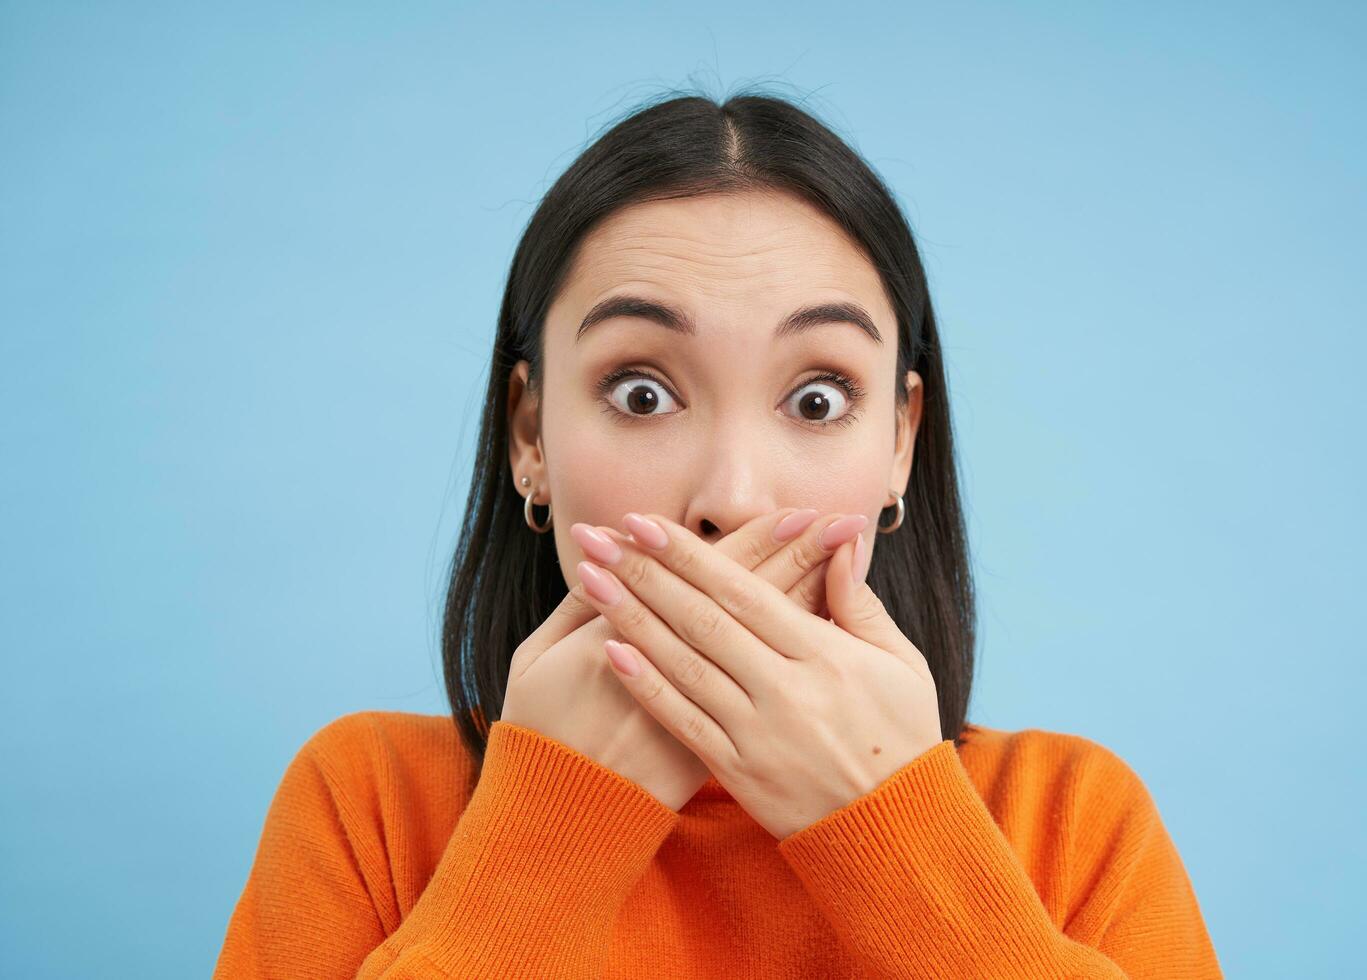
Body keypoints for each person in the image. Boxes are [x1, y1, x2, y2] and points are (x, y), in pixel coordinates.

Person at [213, 90, 1223, 978]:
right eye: (642, 391)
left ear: (900, 446)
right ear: (531, 434)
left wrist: (899, 836)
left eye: (819, 398)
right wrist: (547, 831)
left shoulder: (1069, 822)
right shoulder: (370, 805)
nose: (730, 498)